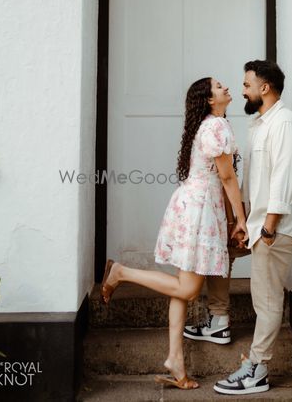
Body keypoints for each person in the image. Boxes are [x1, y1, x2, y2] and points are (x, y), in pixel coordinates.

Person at [100, 77, 247, 391]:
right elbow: (227, 177)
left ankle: (175, 361)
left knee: (182, 287)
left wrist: (230, 217)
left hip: (195, 207)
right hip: (199, 211)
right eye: (219, 86)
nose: (226, 88)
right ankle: (121, 272)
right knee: (188, 289)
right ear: (209, 99)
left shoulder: (211, 125)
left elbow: (223, 178)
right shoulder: (215, 126)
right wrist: (241, 219)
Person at [192, 60, 292, 396]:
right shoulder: (260, 124)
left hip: (276, 228)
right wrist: (244, 222)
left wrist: (268, 228)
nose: (242, 90)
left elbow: (285, 179)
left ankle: (257, 368)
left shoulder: (285, 124)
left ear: (264, 88)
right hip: (259, 224)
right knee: (225, 255)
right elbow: (254, 180)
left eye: (247, 84)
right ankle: (219, 320)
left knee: (266, 300)